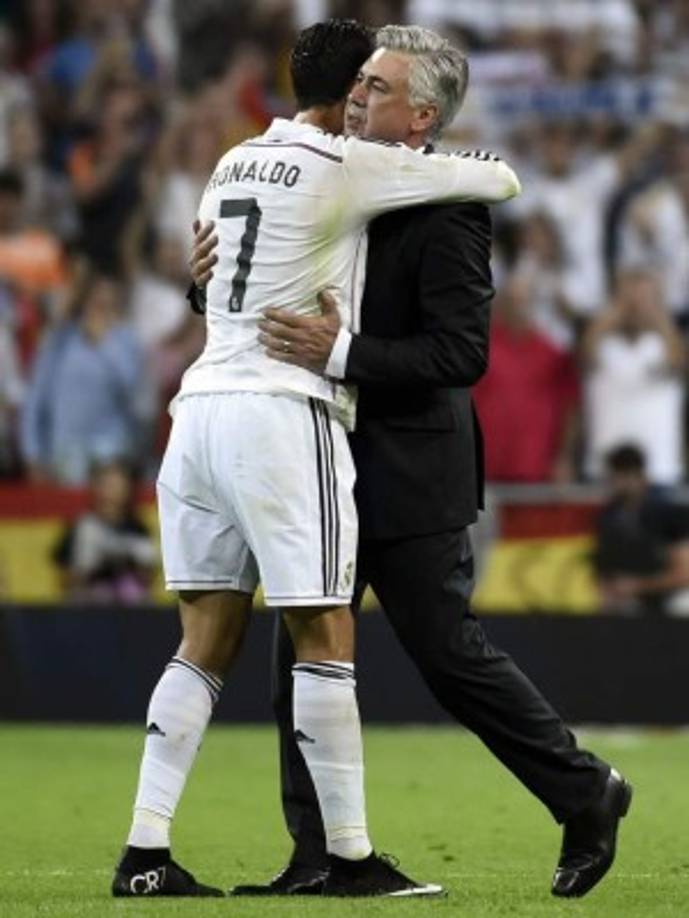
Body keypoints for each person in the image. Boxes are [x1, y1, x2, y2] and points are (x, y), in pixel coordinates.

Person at [191, 23, 631, 902]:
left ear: (420, 116)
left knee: (446, 655)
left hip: (405, 465)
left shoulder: (448, 206)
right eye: (356, 83)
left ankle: (587, 793)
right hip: (312, 450)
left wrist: (343, 351)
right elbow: (246, 287)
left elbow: (460, 354)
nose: (355, 95)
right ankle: (317, 856)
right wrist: (198, 279)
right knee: (299, 660)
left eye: (377, 88)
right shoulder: (319, 171)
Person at [113, 19, 520, 899]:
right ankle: (349, 856)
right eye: (366, 86)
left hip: (197, 415)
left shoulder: (229, 162)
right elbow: (498, 177)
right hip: (279, 413)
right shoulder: (350, 162)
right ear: (347, 100)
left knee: (204, 641)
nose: (370, 100)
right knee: (323, 631)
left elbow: (218, 277)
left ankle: (144, 853)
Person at [581, 267, 686, 485]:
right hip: (605, 469)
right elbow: (582, 358)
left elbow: (679, 363)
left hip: (659, 469)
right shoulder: (603, 344)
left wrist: (659, 319)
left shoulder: (665, 345)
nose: (636, 306)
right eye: (630, 298)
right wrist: (610, 317)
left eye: (646, 298)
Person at [594, 444, 689, 615]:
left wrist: (638, 585)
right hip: (632, 599)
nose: (619, 484)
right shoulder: (608, 518)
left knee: (683, 604)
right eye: (615, 477)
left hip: (668, 595)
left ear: (640, 476)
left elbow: (684, 575)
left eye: (624, 476)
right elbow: (605, 574)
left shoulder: (670, 514)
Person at [52, 460, 156, 603]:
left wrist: (129, 562)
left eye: (118, 484)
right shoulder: (81, 526)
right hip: (87, 607)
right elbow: (64, 578)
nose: (113, 490)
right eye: (108, 484)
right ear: (96, 487)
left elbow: (149, 578)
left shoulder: (138, 528)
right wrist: (89, 568)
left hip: (130, 611)